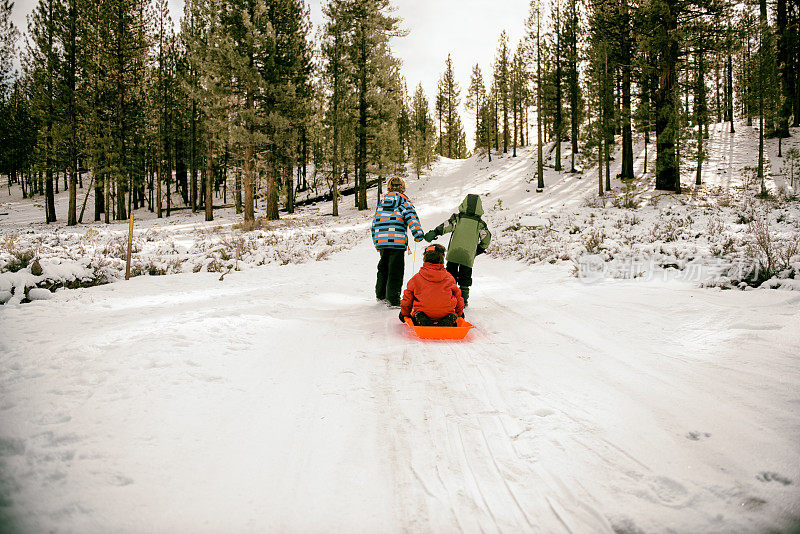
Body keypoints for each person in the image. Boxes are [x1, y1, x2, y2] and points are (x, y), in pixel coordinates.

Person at [423, 194, 491, 307]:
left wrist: (435, 232)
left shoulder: (458, 218)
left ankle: (449, 297)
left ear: (464, 204)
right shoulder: (480, 223)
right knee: (465, 278)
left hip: (454, 253)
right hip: (468, 255)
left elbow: (446, 226)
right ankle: (463, 301)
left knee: (450, 276)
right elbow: (486, 238)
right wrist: (479, 249)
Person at [371, 176, 425, 307]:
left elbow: (374, 223)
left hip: (382, 241)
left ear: (389, 188)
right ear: (403, 188)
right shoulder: (404, 201)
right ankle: (393, 300)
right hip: (397, 242)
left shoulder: (382, 203)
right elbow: (412, 218)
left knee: (383, 268)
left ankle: (381, 295)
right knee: (395, 269)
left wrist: (376, 242)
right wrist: (418, 234)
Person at [399, 244, 465, 327]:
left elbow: (408, 297)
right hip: (445, 312)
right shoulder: (449, 278)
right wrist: (459, 313)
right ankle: (449, 317)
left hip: (424, 311)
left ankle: (420, 317)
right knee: (451, 302)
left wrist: (404, 313)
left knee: (418, 309)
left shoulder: (416, 278)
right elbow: (458, 296)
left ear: (424, 259)